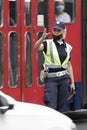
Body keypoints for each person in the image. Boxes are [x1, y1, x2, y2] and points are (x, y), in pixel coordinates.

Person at [34, 21, 75, 112]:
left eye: (58, 30)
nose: (56, 32)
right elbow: (36, 47)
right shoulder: (47, 43)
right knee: (51, 106)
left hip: (64, 79)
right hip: (51, 80)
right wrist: (42, 38)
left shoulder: (68, 47)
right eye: (54, 30)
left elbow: (69, 65)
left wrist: (72, 82)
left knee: (61, 107)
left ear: (63, 31)